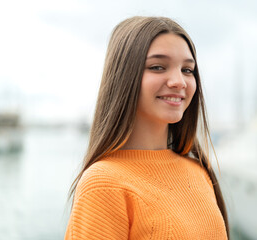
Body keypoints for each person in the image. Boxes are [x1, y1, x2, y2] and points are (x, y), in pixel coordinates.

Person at [65, 16, 229, 240]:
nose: (179, 81)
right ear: (124, 77)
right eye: (158, 67)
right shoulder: (103, 184)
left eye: (187, 70)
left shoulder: (199, 170)